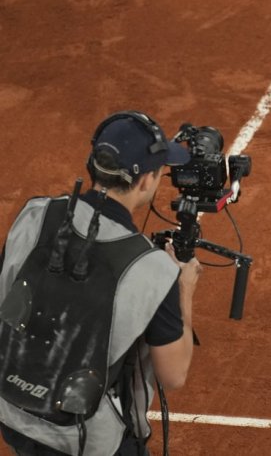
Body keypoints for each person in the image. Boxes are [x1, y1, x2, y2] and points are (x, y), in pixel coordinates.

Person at [0, 111, 202, 455]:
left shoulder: (35, 215)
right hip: (85, 441)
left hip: (13, 414)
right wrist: (184, 289)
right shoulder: (152, 269)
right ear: (146, 181)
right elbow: (173, 375)